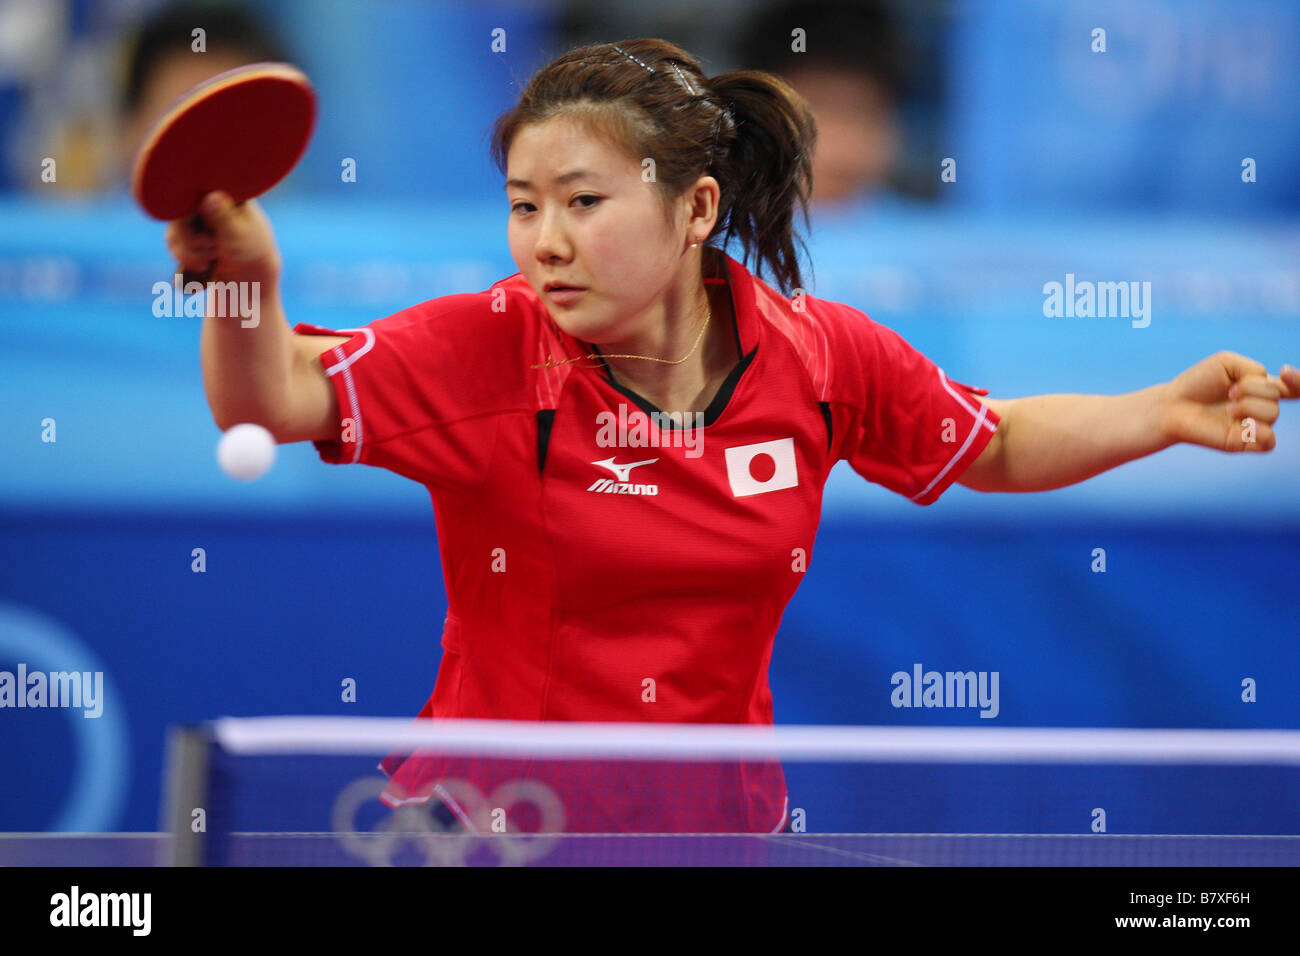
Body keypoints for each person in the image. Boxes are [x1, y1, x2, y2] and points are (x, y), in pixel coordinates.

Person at [168, 38, 1298, 834]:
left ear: (696, 208)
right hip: (491, 831)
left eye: (582, 201)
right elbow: (268, 397)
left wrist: (1158, 412)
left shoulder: (816, 355)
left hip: (709, 829)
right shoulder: (489, 348)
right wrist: (240, 287)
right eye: (522, 204)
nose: (543, 242)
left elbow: (989, 440)